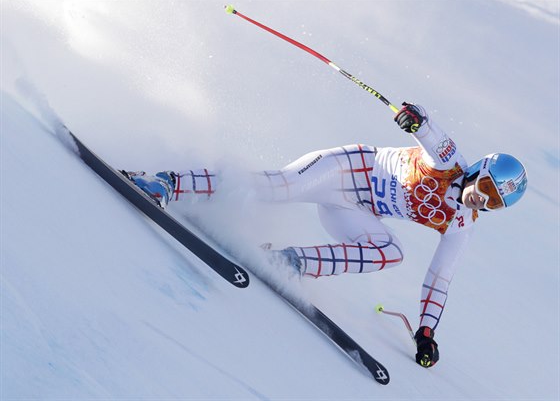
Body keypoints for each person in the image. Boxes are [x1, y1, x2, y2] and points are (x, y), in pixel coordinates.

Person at [123, 103, 528, 368]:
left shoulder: (461, 224)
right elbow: (432, 135)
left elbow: (439, 279)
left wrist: (426, 331)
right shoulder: (450, 163)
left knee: (391, 252)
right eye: (487, 188)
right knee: (274, 189)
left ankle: (288, 262)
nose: (481, 200)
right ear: (481, 170)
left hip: (352, 211)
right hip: (344, 169)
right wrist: (416, 118)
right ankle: (165, 182)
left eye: (492, 203)